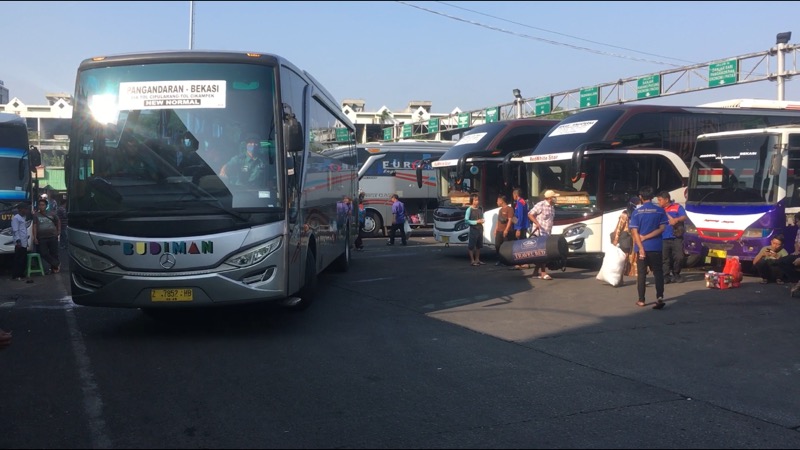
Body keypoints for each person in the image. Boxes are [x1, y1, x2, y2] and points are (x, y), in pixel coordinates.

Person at [629, 186, 668, 310]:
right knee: (658, 272)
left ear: (641, 197)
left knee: (641, 274)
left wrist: (640, 246)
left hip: (641, 248)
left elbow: (634, 232)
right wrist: (647, 237)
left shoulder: (636, 212)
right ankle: (660, 297)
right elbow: (662, 229)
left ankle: (641, 300)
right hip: (656, 247)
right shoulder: (660, 211)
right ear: (652, 197)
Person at [528, 189, 559, 280]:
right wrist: (537, 223)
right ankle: (543, 273)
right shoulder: (540, 205)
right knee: (543, 254)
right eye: (554, 197)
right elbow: (530, 214)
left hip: (547, 233)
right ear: (549, 198)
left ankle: (535, 273)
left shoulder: (552, 207)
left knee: (542, 254)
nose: (555, 199)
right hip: (539, 233)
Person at [656, 191, 687, 284]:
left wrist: (676, 219)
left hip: (676, 236)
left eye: (660, 200)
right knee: (664, 258)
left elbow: (684, 216)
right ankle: (666, 276)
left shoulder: (677, 207)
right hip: (663, 237)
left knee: (679, 257)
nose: (658, 202)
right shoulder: (658, 210)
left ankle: (676, 273)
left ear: (666, 200)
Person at [33, 197, 61, 274]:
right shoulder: (36, 215)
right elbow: (34, 226)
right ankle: (56, 263)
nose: (41, 206)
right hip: (41, 237)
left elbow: (58, 221)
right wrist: (35, 237)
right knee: (43, 253)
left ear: (46, 206)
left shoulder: (52, 214)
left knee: (54, 253)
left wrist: (58, 231)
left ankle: (54, 268)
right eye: (40, 205)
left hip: (52, 236)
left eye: (43, 205)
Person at [465, 194, 486, 266]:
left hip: (480, 228)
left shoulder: (480, 208)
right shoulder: (469, 209)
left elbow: (482, 217)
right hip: (473, 229)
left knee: (479, 245)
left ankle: (477, 259)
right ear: (472, 201)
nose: (477, 201)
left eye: (477, 200)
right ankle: (472, 260)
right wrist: (476, 222)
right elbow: (466, 221)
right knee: (471, 245)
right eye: (475, 200)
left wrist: (482, 220)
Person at [511, 188, 529, 269]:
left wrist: (518, 228)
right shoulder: (522, 201)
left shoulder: (520, 202)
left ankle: (521, 262)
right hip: (521, 225)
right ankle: (522, 262)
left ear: (516, 195)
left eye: (513, 195)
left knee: (520, 245)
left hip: (521, 226)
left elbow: (521, 216)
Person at [494, 194, 514, 266]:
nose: (497, 202)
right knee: (497, 245)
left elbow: (510, 220)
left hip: (505, 231)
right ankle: (499, 260)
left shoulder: (509, 209)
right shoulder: (500, 210)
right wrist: (496, 229)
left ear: (501, 201)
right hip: (499, 230)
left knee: (506, 246)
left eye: (498, 201)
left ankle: (507, 261)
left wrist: (506, 230)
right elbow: (498, 220)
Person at [11, 203, 29, 281]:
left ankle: (21, 274)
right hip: (19, 242)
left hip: (24, 242)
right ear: (20, 209)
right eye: (25, 209)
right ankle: (16, 275)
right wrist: (18, 241)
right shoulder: (16, 218)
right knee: (18, 259)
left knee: (23, 259)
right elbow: (15, 230)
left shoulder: (23, 218)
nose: (26, 210)